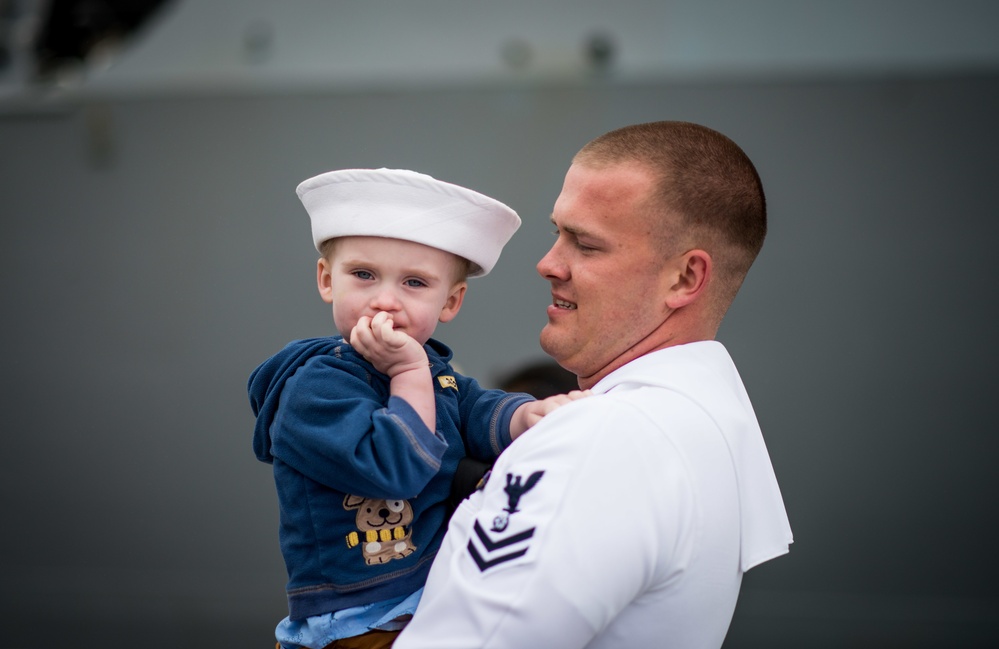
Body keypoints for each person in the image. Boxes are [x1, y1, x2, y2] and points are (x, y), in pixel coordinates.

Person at [394, 121, 794, 649]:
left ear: (685, 279)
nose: (547, 263)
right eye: (558, 232)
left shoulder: (602, 440)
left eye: (585, 244)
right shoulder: (703, 425)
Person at [248, 168, 587, 649]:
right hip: (358, 619)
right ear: (327, 280)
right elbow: (393, 469)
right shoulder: (314, 388)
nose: (385, 300)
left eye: (414, 283)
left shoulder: (433, 370)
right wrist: (409, 375)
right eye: (363, 275)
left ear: (451, 302)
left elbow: (473, 409)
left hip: (420, 595)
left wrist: (526, 416)